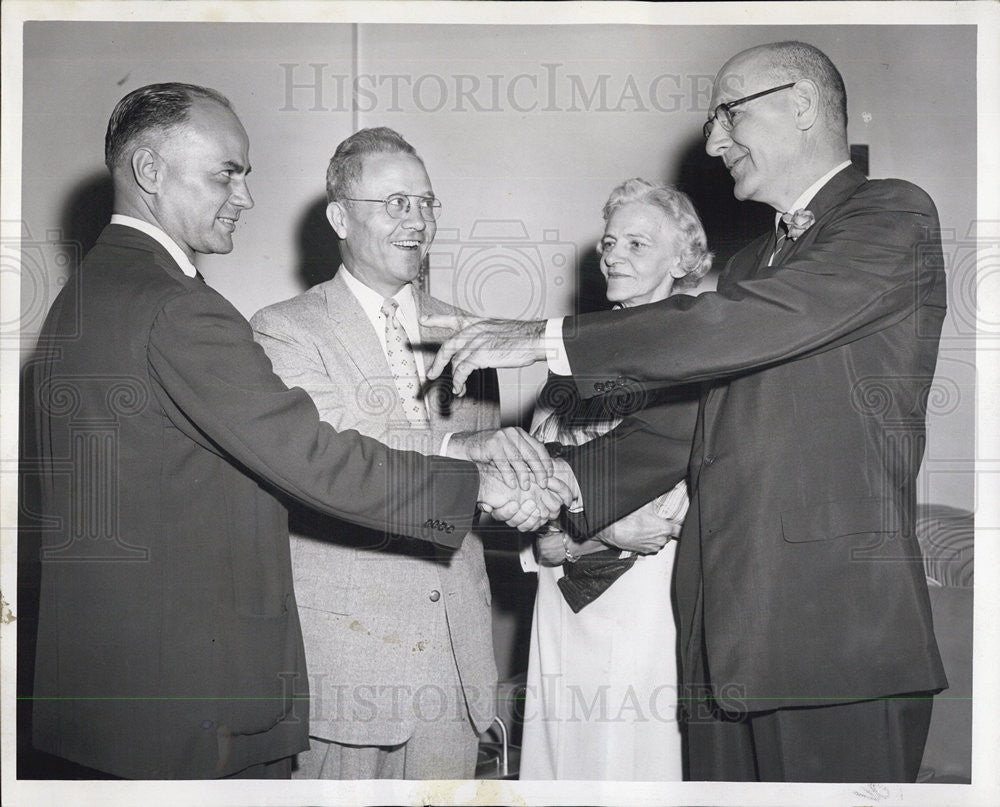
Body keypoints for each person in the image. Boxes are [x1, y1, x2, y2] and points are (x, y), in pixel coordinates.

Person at [425, 41, 948, 782]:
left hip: (834, 635)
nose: (711, 143)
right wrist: (541, 486)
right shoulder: (745, 266)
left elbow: (737, 325)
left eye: (729, 115)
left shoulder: (890, 216)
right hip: (716, 636)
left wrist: (545, 337)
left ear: (800, 103)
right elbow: (680, 427)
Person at [27, 84, 569, 780]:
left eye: (426, 202)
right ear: (151, 171)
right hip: (197, 690)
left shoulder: (95, 292)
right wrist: (477, 478)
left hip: (134, 690)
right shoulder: (184, 310)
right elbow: (317, 459)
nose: (246, 196)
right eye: (228, 171)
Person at [250, 127, 511, 779]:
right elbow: (336, 456)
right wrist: (467, 449)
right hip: (349, 667)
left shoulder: (471, 337)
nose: (417, 220)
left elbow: (482, 491)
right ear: (341, 217)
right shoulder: (284, 329)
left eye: (426, 203)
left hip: (455, 663)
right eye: (395, 202)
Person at [519, 179, 707, 781]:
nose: (613, 255)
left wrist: (586, 532)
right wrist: (568, 536)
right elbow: (529, 480)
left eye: (636, 242)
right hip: (562, 594)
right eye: (608, 242)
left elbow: (679, 507)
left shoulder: (702, 354)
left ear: (682, 260)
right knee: (561, 753)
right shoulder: (572, 355)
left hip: (650, 595)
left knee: (635, 756)